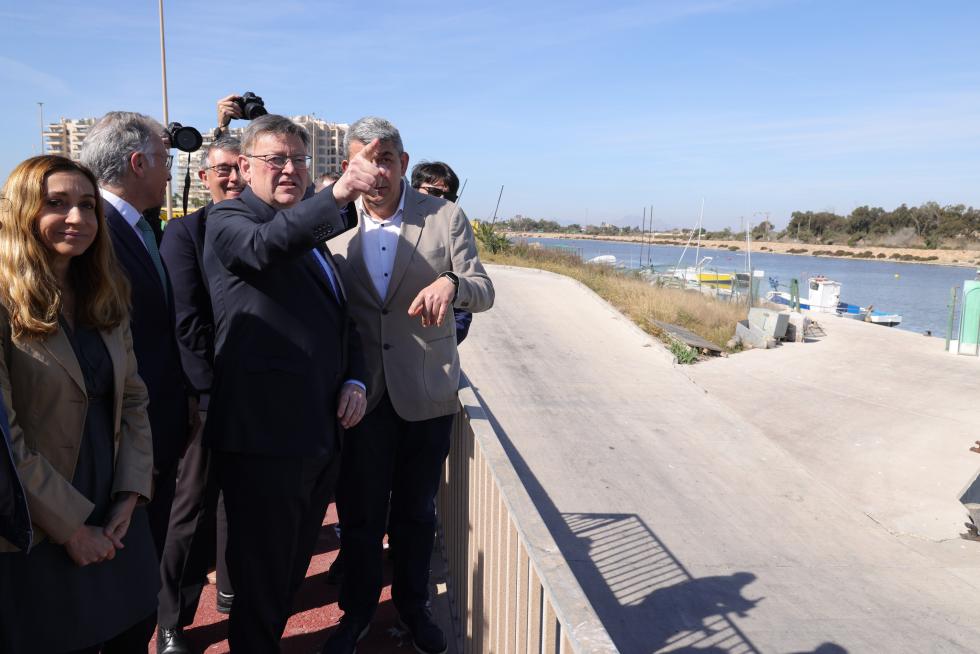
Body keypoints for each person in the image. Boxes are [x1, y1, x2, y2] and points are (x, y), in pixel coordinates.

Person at [202, 113, 379, 652]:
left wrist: (355, 378)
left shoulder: (310, 238)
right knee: (262, 577)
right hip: (265, 440)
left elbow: (341, 322)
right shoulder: (231, 219)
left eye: (299, 159)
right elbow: (264, 247)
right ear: (245, 167)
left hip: (318, 435)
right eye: (275, 159)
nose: (290, 169)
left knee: (288, 571)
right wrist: (339, 194)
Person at [325, 117, 494, 654]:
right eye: (364, 160)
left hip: (425, 392)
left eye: (385, 160)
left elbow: (484, 290)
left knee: (417, 515)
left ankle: (413, 606)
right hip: (358, 393)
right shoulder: (330, 218)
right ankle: (355, 614)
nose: (376, 172)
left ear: (402, 162)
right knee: (359, 515)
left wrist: (451, 282)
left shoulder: (444, 216)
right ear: (348, 166)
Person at [0, 155, 158, 652]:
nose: (77, 218)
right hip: (40, 519)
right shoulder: (4, 302)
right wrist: (70, 528)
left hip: (115, 508)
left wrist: (131, 492)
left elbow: (133, 398)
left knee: (134, 628)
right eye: (57, 203)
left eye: (88, 205)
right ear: (23, 211)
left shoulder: (104, 290)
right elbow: (4, 440)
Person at [80, 111, 196, 647]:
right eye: (164, 158)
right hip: (121, 446)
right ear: (137, 163)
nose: (170, 170)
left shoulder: (136, 226)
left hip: (153, 435)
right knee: (118, 594)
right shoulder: (96, 232)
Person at [156, 134, 244, 653]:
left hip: (259, 398)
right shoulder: (185, 232)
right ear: (205, 177)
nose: (231, 177)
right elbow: (187, 323)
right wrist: (212, 392)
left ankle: (231, 591)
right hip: (210, 398)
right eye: (221, 169)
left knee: (240, 504)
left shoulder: (268, 230)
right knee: (189, 510)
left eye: (238, 167)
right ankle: (171, 619)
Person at [410, 161, 473, 344]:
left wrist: (445, 342)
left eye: (449, 196)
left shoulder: (454, 230)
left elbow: (471, 287)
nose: (442, 200)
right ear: (413, 189)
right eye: (434, 192)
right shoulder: (392, 227)